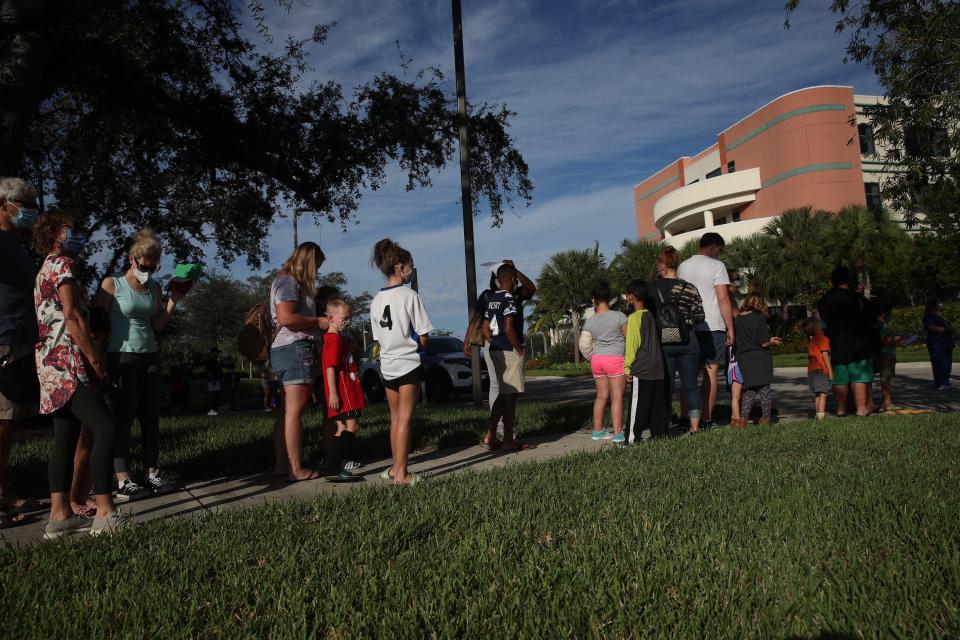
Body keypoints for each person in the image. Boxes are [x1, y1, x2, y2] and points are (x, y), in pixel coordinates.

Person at [32, 209, 129, 537]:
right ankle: (105, 512)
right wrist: (96, 361)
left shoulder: (44, 268)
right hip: (68, 363)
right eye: (72, 229)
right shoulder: (62, 265)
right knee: (106, 428)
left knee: (65, 437)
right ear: (56, 233)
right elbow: (73, 316)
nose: (79, 234)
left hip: (48, 365)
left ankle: (59, 517)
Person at [94, 228, 186, 500]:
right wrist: (95, 360)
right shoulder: (112, 284)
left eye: (154, 264)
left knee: (150, 418)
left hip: (150, 355)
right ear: (133, 259)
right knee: (122, 418)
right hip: (120, 355)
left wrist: (173, 302)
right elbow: (97, 326)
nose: (149, 268)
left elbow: (156, 324)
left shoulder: (155, 287)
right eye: (145, 264)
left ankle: (152, 474)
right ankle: (123, 479)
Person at [370, 238, 432, 484]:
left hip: (387, 365)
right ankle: (402, 474)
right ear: (399, 266)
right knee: (405, 418)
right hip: (408, 363)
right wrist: (421, 351)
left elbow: (378, 338)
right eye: (410, 267)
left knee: (394, 418)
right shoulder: (409, 296)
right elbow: (423, 334)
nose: (411, 271)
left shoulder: (375, 300)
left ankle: (395, 468)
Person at [0, 176, 41, 528]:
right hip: (3, 341)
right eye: (24, 206)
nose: (29, 213)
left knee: (8, 421)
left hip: (20, 342)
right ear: (3, 204)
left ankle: (2, 492)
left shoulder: (14, 243)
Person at [269, 242, 328, 482]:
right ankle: (295, 468)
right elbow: (286, 317)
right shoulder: (289, 281)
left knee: (287, 411)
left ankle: (282, 464)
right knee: (295, 411)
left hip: (288, 349)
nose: (317, 272)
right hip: (295, 347)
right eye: (317, 266)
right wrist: (319, 322)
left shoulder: (283, 280)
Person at [463, 260, 536, 443]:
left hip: (495, 345)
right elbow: (477, 319)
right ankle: (506, 434)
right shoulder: (498, 297)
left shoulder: (510, 296)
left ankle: (494, 432)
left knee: (501, 389)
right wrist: (517, 346)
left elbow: (531, 288)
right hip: (508, 345)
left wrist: (514, 269)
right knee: (505, 390)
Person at [677, 232, 735, 427]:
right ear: (714, 247)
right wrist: (730, 327)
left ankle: (686, 417)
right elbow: (723, 298)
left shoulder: (682, 266)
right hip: (713, 326)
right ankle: (707, 418)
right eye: (720, 250)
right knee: (710, 375)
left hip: (688, 328)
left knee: (688, 376)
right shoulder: (717, 266)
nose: (720, 254)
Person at [652, 246, 706, 434]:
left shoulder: (654, 288)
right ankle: (694, 427)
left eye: (659, 263)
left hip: (663, 342)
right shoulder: (689, 287)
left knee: (666, 386)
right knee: (691, 386)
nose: (657, 266)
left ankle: (664, 425)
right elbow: (700, 317)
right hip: (688, 340)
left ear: (664, 264)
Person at [482, 262, 534, 452]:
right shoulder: (510, 299)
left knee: (502, 395)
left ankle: (491, 434)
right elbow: (509, 327)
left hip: (494, 349)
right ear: (512, 279)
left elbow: (485, 328)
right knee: (510, 399)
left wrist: (493, 340)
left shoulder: (492, 298)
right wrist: (517, 347)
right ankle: (509, 440)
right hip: (508, 350)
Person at [817, 267, 874, 416]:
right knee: (859, 376)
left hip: (836, 342)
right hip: (858, 342)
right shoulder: (857, 298)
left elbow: (823, 321)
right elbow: (871, 318)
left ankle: (841, 409)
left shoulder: (824, 300)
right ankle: (861, 408)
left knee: (840, 377)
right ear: (848, 279)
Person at [581, 283, 628, 443]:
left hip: (597, 360)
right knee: (617, 397)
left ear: (593, 300)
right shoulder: (619, 316)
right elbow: (628, 338)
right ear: (609, 299)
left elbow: (583, 345)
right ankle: (618, 433)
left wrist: (592, 357)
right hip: (615, 359)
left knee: (601, 396)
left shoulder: (590, 322)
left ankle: (598, 430)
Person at [322, 298, 365, 474]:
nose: (348, 322)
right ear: (331, 318)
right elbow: (330, 367)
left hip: (346, 390)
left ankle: (333, 464)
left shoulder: (340, 338)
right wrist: (333, 392)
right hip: (344, 392)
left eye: (350, 319)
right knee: (352, 426)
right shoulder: (333, 339)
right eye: (344, 318)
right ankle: (332, 465)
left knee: (341, 428)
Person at [623, 279, 667, 443]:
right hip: (658, 367)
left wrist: (627, 368)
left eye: (627, 295)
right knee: (657, 405)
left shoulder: (634, 318)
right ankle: (659, 435)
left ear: (632, 297)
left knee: (638, 406)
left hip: (642, 369)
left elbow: (632, 345)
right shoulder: (651, 315)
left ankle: (632, 438)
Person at [733, 293, 782, 425]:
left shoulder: (737, 319)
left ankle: (743, 420)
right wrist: (773, 342)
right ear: (759, 303)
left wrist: (767, 341)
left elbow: (748, 339)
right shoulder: (759, 318)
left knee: (749, 390)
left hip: (744, 358)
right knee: (764, 390)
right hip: (760, 357)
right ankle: (766, 419)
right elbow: (763, 343)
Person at [803, 317, 833, 421]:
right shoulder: (823, 339)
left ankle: (818, 414)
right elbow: (825, 356)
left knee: (817, 394)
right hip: (821, 369)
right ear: (817, 328)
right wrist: (830, 370)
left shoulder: (812, 341)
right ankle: (821, 417)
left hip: (811, 370)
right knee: (823, 393)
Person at [922, 297, 954, 390]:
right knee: (939, 363)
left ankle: (946, 382)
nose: (940, 305)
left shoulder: (938, 316)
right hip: (937, 343)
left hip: (945, 342)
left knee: (947, 363)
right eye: (938, 303)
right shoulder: (929, 316)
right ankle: (940, 383)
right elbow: (932, 327)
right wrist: (947, 329)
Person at [877, 310, 903, 410]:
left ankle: (886, 401)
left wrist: (899, 342)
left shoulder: (879, 327)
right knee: (887, 379)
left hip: (885, 354)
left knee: (887, 379)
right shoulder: (882, 327)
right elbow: (885, 341)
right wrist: (898, 338)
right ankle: (887, 402)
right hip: (886, 355)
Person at [204, 347, 223, 415]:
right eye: (216, 352)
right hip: (212, 381)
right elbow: (208, 371)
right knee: (212, 396)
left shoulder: (216, 360)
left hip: (218, 380)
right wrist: (212, 379)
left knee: (217, 397)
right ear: (212, 352)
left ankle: (215, 410)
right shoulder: (208, 360)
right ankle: (210, 410)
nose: (217, 354)